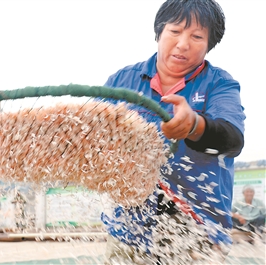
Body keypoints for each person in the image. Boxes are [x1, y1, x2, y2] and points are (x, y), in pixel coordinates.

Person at [101, 0, 245, 264]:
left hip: (197, 229)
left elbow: (232, 141)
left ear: (209, 44)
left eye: (197, 36)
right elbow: (94, 138)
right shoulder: (121, 81)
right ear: (159, 32)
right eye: (175, 31)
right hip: (128, 227)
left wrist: (194, 125)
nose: (183, 43)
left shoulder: (220, 83)